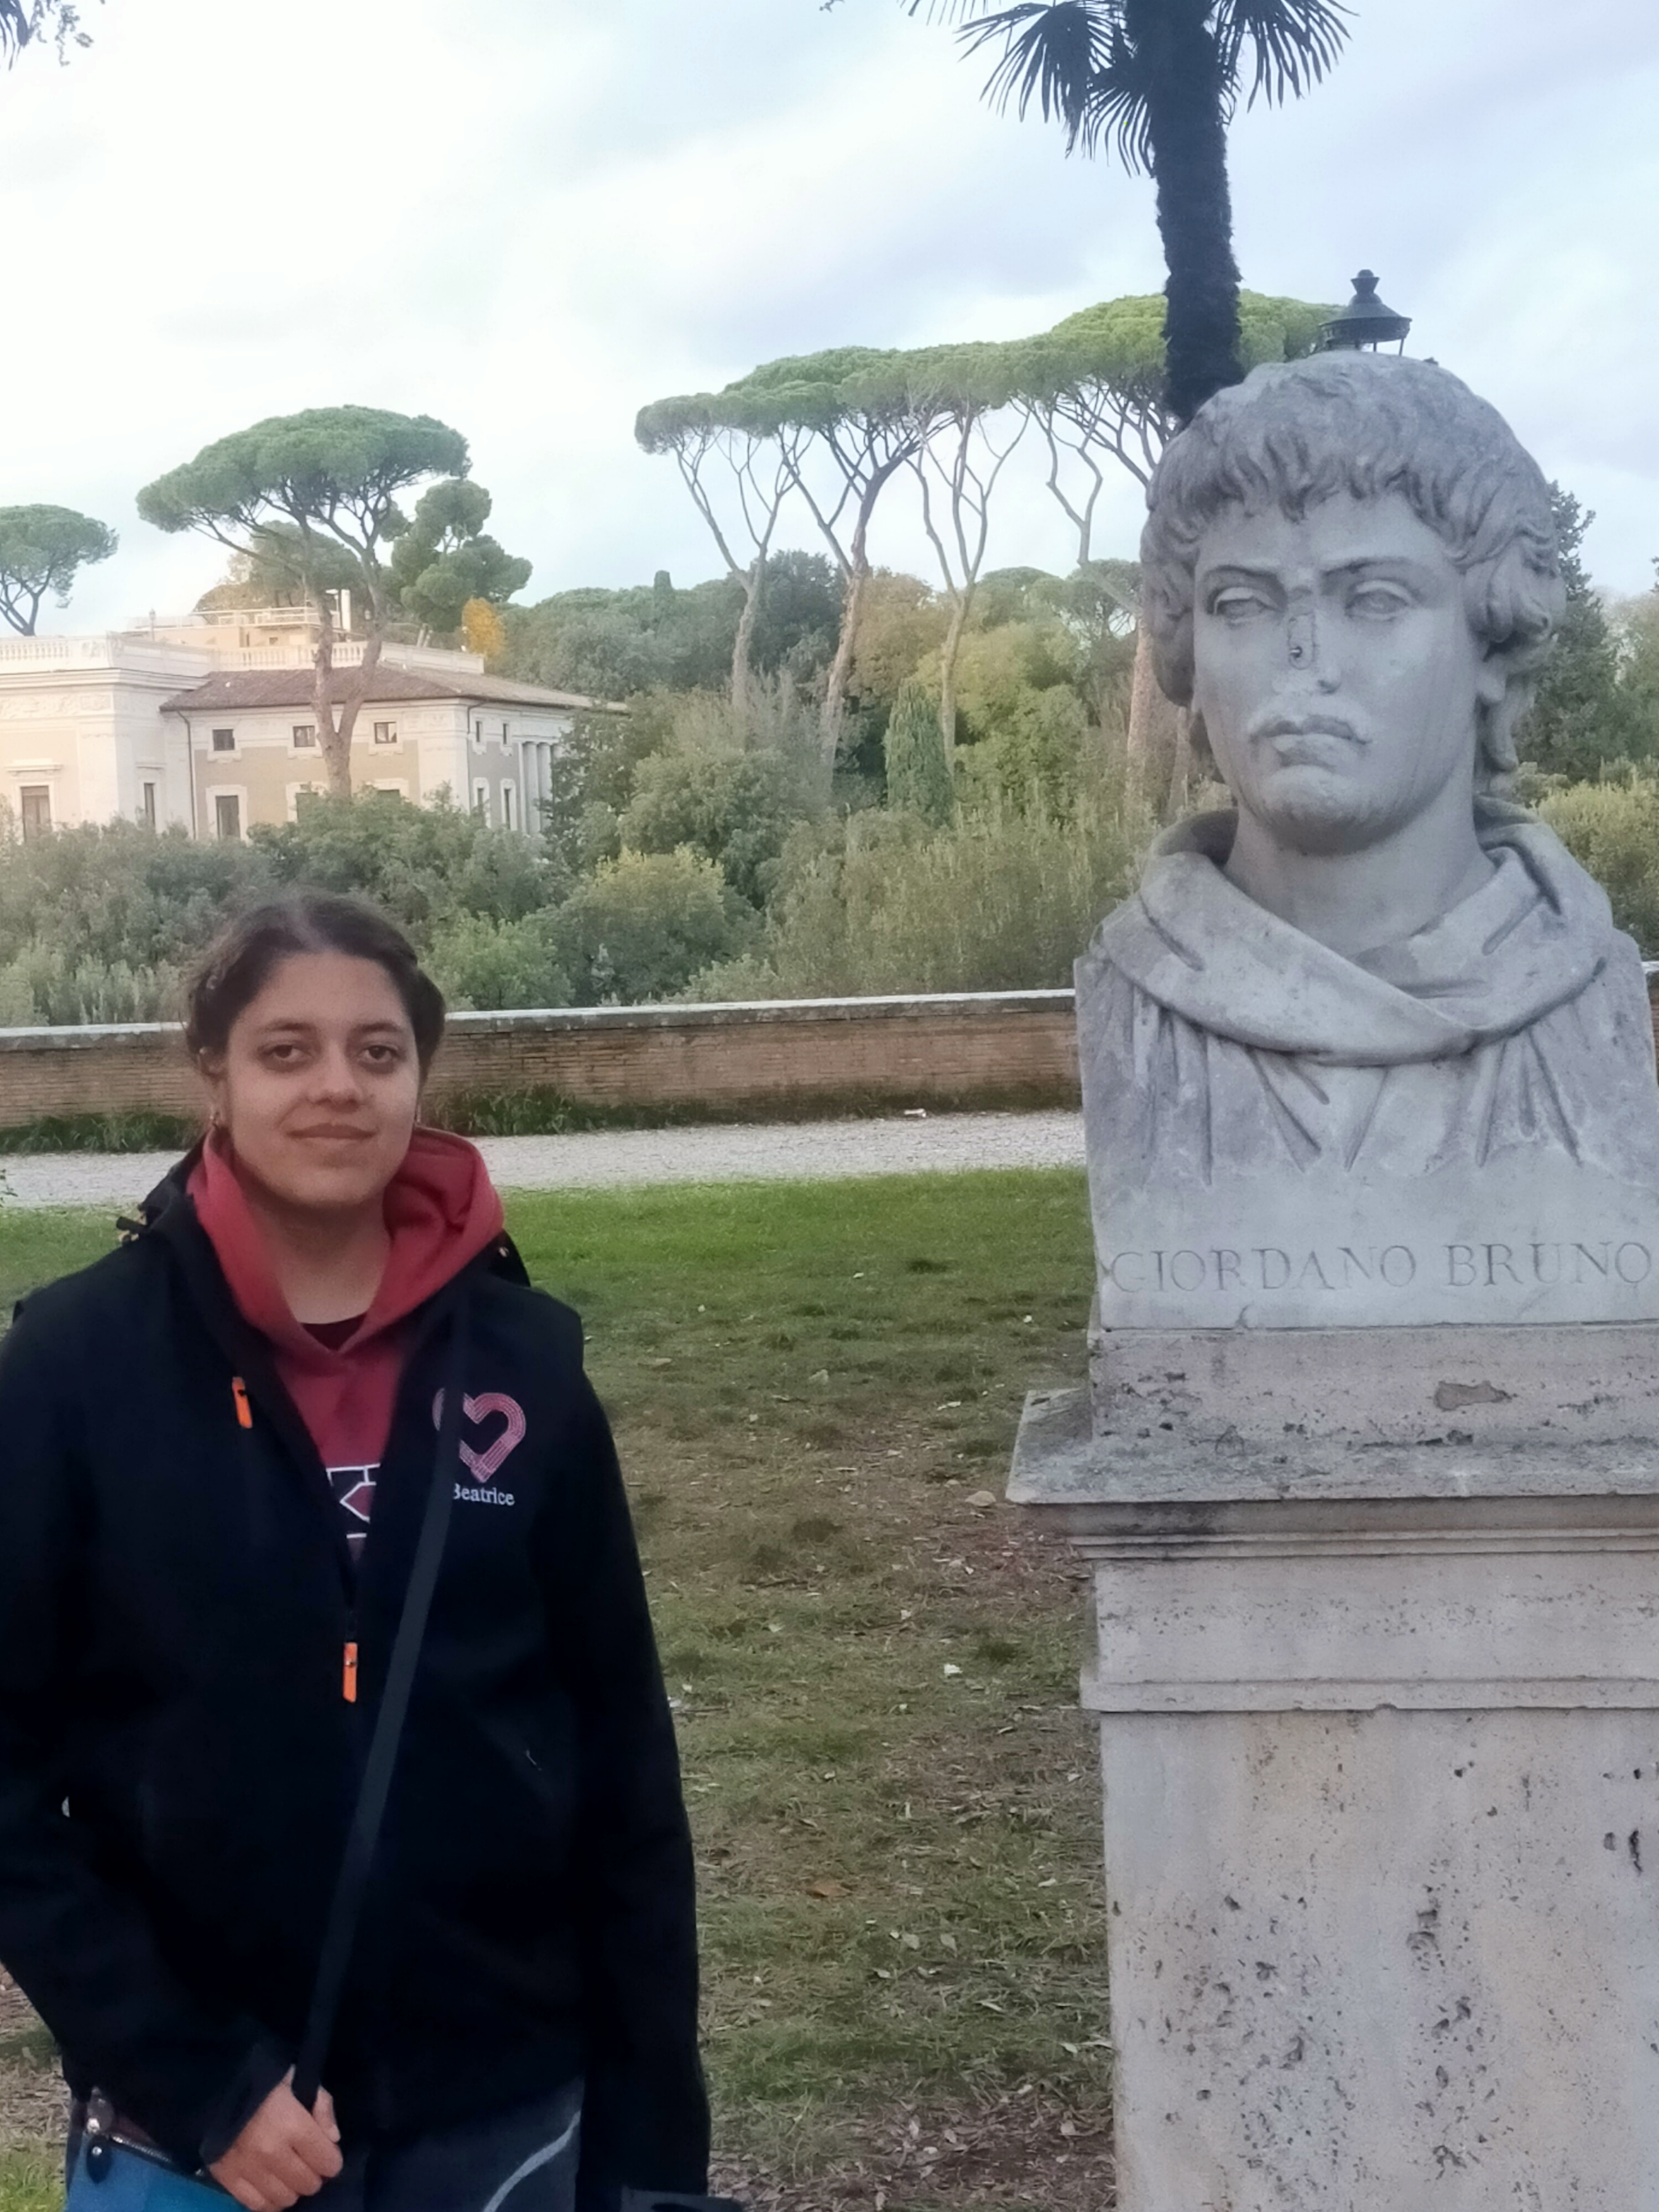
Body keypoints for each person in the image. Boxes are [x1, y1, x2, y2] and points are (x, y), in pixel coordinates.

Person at [0, 893, 711, 2212]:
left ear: (419, 1073)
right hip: (198, 2140)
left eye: (376, 1051)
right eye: (288, 1049)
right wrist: (197, 2077)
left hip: (504, 2110)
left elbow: (624, 1768)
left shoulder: (525, 1363)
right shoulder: (72, 1368)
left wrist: (656, 2151)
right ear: (213, 1069)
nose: (338, 1086)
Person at [1076, 351, 1659, 1329]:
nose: (1306, 663)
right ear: (1188, 646)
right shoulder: (1139, 998)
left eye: (1375, 599)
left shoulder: (1580, 987)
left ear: (1491, 640)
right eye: (1244, 605)